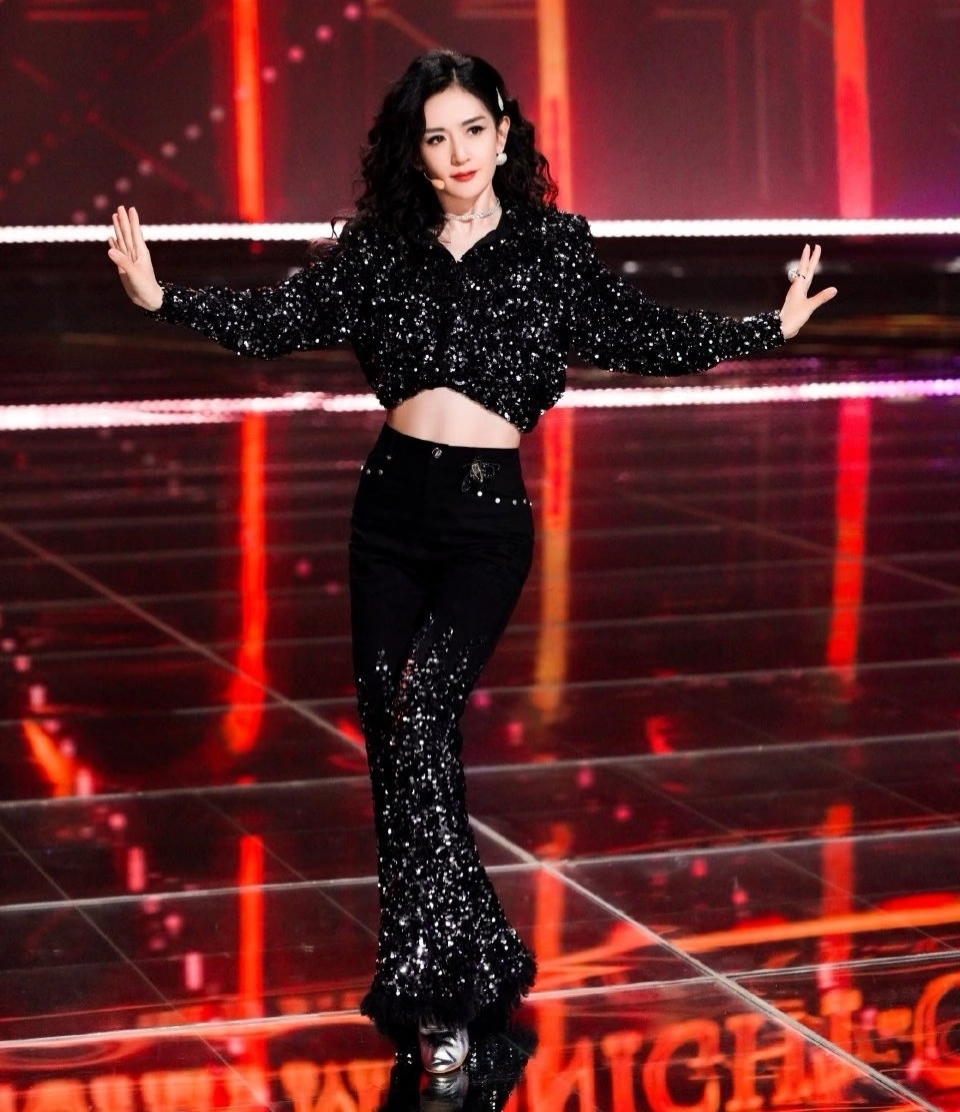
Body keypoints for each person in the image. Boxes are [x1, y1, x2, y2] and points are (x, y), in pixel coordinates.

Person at [107, 49, 837, 1076]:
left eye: (471, 131)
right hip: (388, 516)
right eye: (433, 137)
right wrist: (161, 299)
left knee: (421, 715)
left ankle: (446, 986)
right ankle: (450, 963)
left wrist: (769, 326)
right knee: (397, 744)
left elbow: (645, 333)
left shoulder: (550, 248)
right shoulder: (379, 249)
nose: (455, 154)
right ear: (414, 150)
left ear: (503, 129)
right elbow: (277, 321)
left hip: (485, 526)